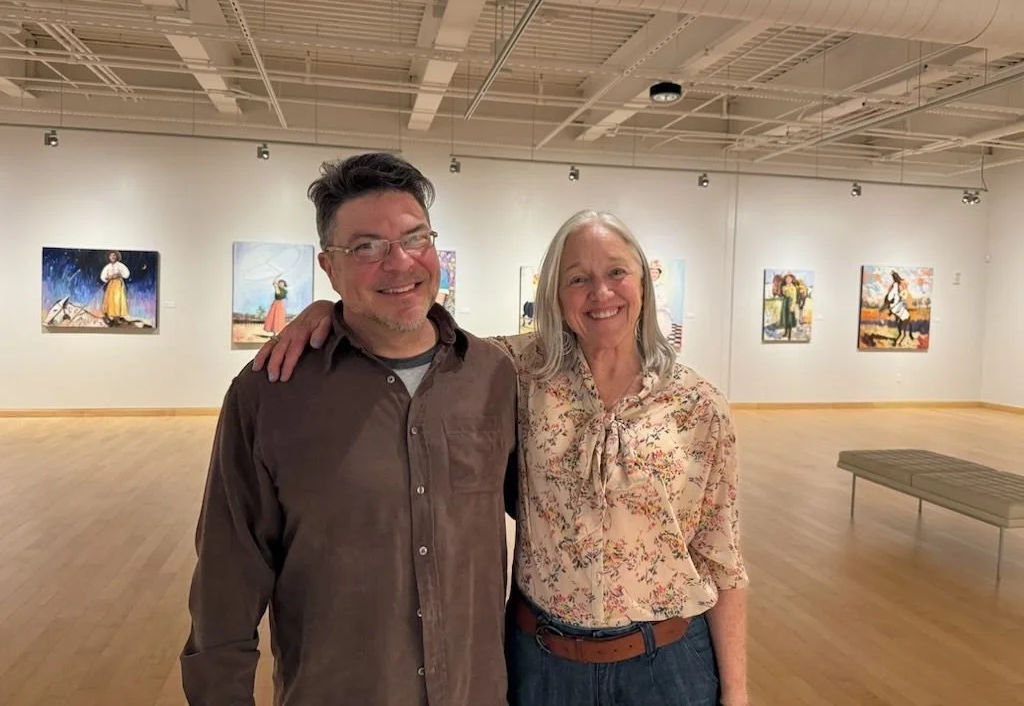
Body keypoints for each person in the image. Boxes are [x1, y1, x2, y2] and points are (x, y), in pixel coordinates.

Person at [255, 209, 750, 706]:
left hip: (668, 667)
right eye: (578, 279)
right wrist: (329, 310)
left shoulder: (698, 404)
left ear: (643, 280)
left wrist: (737, 693)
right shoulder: (514, 372)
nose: (601, 293)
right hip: (545, 665)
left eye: (617, 272)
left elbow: (722, 557)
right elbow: (409, 334)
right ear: (555, 293)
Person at [180, 152, 519, 706]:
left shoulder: (493, 375)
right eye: (366, 247)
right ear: (329, 267)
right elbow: (227, 573)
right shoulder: (270, 392)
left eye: (415, 237)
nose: (400, 262)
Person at [100, 250, 130, 321]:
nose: (112, 257)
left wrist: (119, 275)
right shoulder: (108, 267)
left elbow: (126, 274)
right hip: (111, 284)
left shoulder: (120, 265)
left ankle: (117, 316)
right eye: (111, 256)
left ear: (117, 257)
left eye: (114, 255)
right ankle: (109, 315)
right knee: (109, 298)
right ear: (109, 257)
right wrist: (108, 277)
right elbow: (103, 276)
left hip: (118, 284)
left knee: (117, 299)